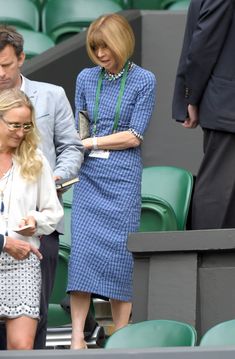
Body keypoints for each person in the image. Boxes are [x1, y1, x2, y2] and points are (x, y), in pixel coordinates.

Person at [67, 13, 156, 349]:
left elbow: (134, 135)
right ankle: (77, 337)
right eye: (95, 48)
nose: (101, 54)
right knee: (83, 255)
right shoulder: (86, 78)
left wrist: (90, 144)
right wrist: (80, 148)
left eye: (106, 46)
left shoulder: (144, 80)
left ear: (122, 43)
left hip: (122, 177)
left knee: (121, 256)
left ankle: (120, 336)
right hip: (90, 177)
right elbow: (81, 127)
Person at [0, 25, 84, 349]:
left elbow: (71, 147)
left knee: (35, 319)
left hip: (38, 227)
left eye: (6, 64)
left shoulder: (51, 94)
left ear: (21, 58)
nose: (1, 72)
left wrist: (53, 179)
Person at [0, 88, 64, 350]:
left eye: (26, 126)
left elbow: (53, 212)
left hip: (22, 261)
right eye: (14, 125)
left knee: (22, 348)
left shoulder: (36, 160)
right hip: (8, 248)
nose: (20, 132)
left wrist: (36, 222)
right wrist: (4, 243)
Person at [172, 0, 235, 229]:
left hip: (225, 104)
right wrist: (192, 96)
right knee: (217, 191)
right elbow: (203, 45)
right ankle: (206, 259)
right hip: (227, 107)